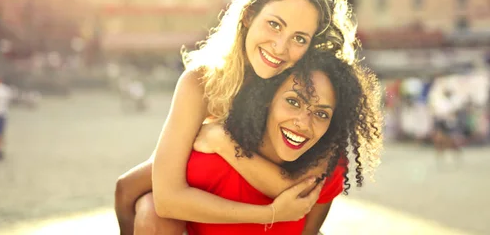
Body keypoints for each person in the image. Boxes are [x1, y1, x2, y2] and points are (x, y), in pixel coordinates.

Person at [115, 0, 361, 234]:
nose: (280, 47)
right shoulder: (203, 84)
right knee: (143, 203)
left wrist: (222, 142)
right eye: (274, 25)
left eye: (299, 38)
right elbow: (146, 194)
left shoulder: (304, 93)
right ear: (248, 15)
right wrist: (268, 214)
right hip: (188, 212)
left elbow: (300, 190)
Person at [161, 49, 380, 234]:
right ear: (268, 99)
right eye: (293, 102)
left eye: (322, 114)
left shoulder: (330, 169)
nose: (304, 123)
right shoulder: (208, 156)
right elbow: (133, 191)